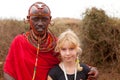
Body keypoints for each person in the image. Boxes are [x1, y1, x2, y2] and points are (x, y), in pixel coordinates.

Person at [3, 2, 98, 80]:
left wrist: (90, 69)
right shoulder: (19, 42)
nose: (40, 23)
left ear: (50, 20)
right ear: (28, 20)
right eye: (35, 19)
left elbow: (69, 59)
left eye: (44, 19)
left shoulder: (55, 44)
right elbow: (8, 71)